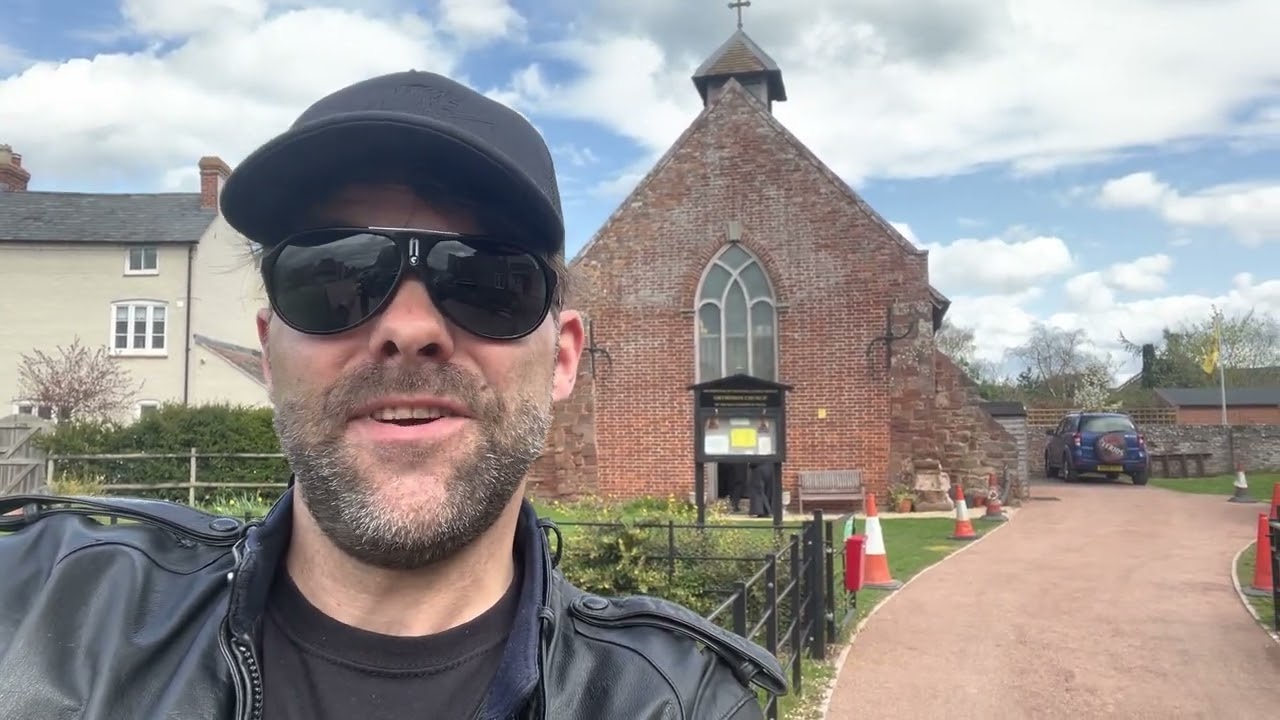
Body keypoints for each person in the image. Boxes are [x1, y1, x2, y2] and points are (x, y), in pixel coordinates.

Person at [0, 70, 785, 719]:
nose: (409, 328)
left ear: (563, 359)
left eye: (486, 282)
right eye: (332, 277)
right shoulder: (43, 606)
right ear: (269, 348)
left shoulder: (675, 704)